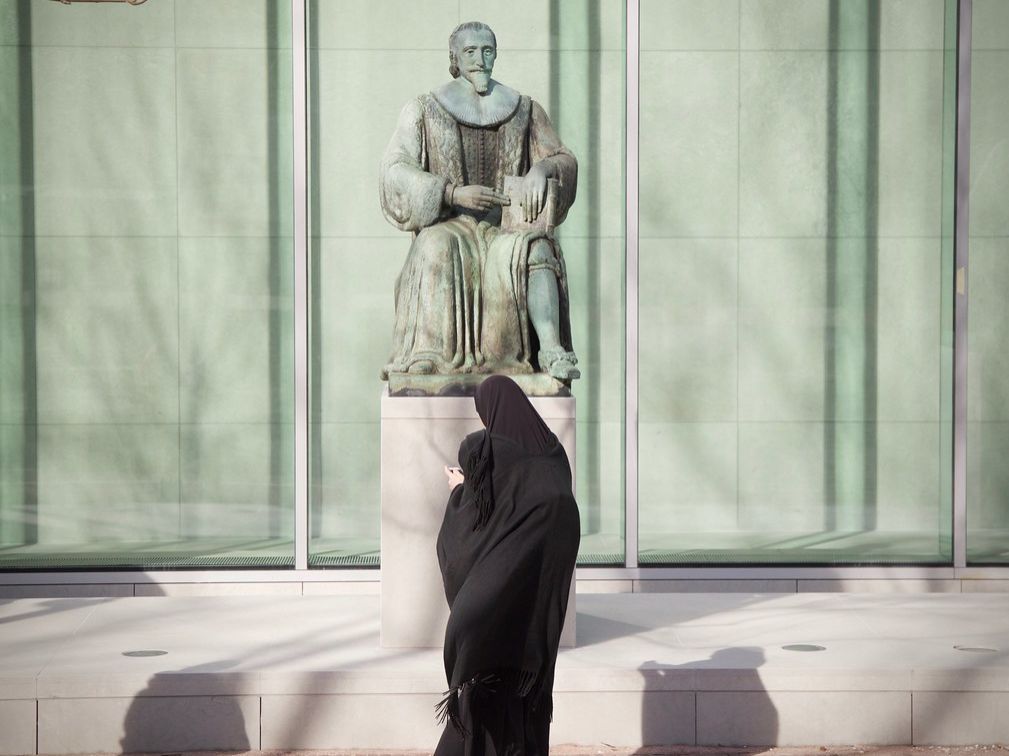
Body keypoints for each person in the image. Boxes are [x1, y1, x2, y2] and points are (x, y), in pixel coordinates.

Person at [380, 21, 580, 382]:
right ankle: (429, 354)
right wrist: (450, 193)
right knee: (434, 244)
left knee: (535, 250)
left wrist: (544, 168)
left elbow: (564, 158)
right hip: (451, 225)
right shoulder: (424, 109)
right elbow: (394, 171)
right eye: (470, 51)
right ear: (454, 58)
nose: (480, 59)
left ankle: (552, 352)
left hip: (504, 228)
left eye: (487, 50)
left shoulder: (524, 109)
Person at [434, 375, 581, 755]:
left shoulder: (486, 450)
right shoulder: (552, 454)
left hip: (495, 604)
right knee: (522, 694)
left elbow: (471, 529)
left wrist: (458, 492)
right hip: (537, 608)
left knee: (483, 691)